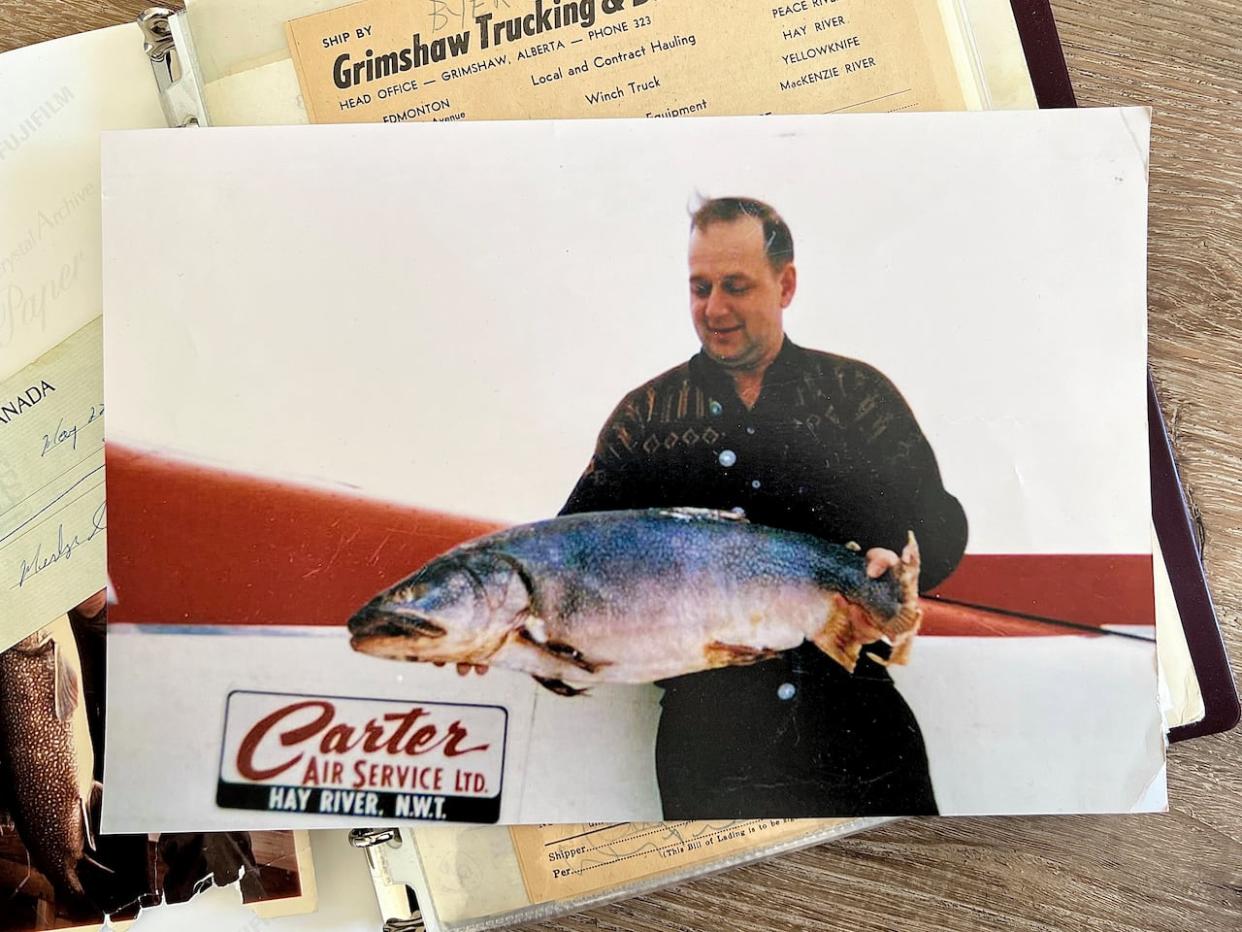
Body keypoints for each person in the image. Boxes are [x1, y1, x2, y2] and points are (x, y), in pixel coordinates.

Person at [559, 196, 968, 817]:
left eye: (736, 286)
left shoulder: (854, 396)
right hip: (713, 744)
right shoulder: (645, 419)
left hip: (857, 727)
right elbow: (571, 553)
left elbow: (939, 521)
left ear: (787, 284)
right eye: (700, 288)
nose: (714, 308)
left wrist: (903, 560)